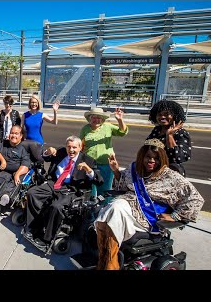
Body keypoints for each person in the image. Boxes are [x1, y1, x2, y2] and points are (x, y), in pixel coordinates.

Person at [94, 138, 204, 270]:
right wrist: (116, 171)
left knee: (113, 211)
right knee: (103, 219)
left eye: (156, 158)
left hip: (147, 218)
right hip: (124, 208)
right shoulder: (135, 168)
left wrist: (174, 216)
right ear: (142, 156)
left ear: (162, 159)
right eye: (148, 157)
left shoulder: (170, 176)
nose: (151, 161)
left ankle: (109, 266)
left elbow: (196, 199)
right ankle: (108, 262)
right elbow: (123, 185)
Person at [22, 135, 103, 248]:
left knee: (56, 206)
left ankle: (47, 238)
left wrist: (88, 170)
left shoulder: (88, 160)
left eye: (74, 147)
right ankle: (34, 225)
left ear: (80, 148)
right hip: (54, 183)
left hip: (71, 189)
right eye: (69, 147)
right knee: (32, 193)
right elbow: (45, 158)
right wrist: (47, 152)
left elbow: (99, 181)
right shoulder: (61, 152)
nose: (71, 150)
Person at [79, 107, 128, 197]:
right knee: (90, 188)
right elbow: (80, 145)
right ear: (89, 118)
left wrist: (120, 119)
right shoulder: (85, 129)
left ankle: (103, 208)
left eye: (99, 117)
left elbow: (122, 132)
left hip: (105, 163)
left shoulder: (108, 126)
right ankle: (92, 208)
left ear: (102, 119)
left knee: (105, 189)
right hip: (90, 164)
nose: (96, 120)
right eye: (94, 117)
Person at [0, 125, 30, 206]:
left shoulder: (23, 149)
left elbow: (25, 165)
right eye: (12, 133)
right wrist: (3, 160)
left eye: (16, 133)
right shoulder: (4, 143)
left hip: (16, 171)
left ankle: (6, 196)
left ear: (21, 136)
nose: (13, 135)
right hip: (4, 169)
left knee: (14, 181)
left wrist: (17, 174)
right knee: (0, 177)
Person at [146, 99, 191, 176]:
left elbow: (179, 158)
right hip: (153, 170)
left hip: (170, 173)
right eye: (159, 114)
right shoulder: (156, 130)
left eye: (166, 114)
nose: (162, 117)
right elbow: (146, 148)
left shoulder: (181, 133)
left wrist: (169, 136)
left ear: (174, 116)